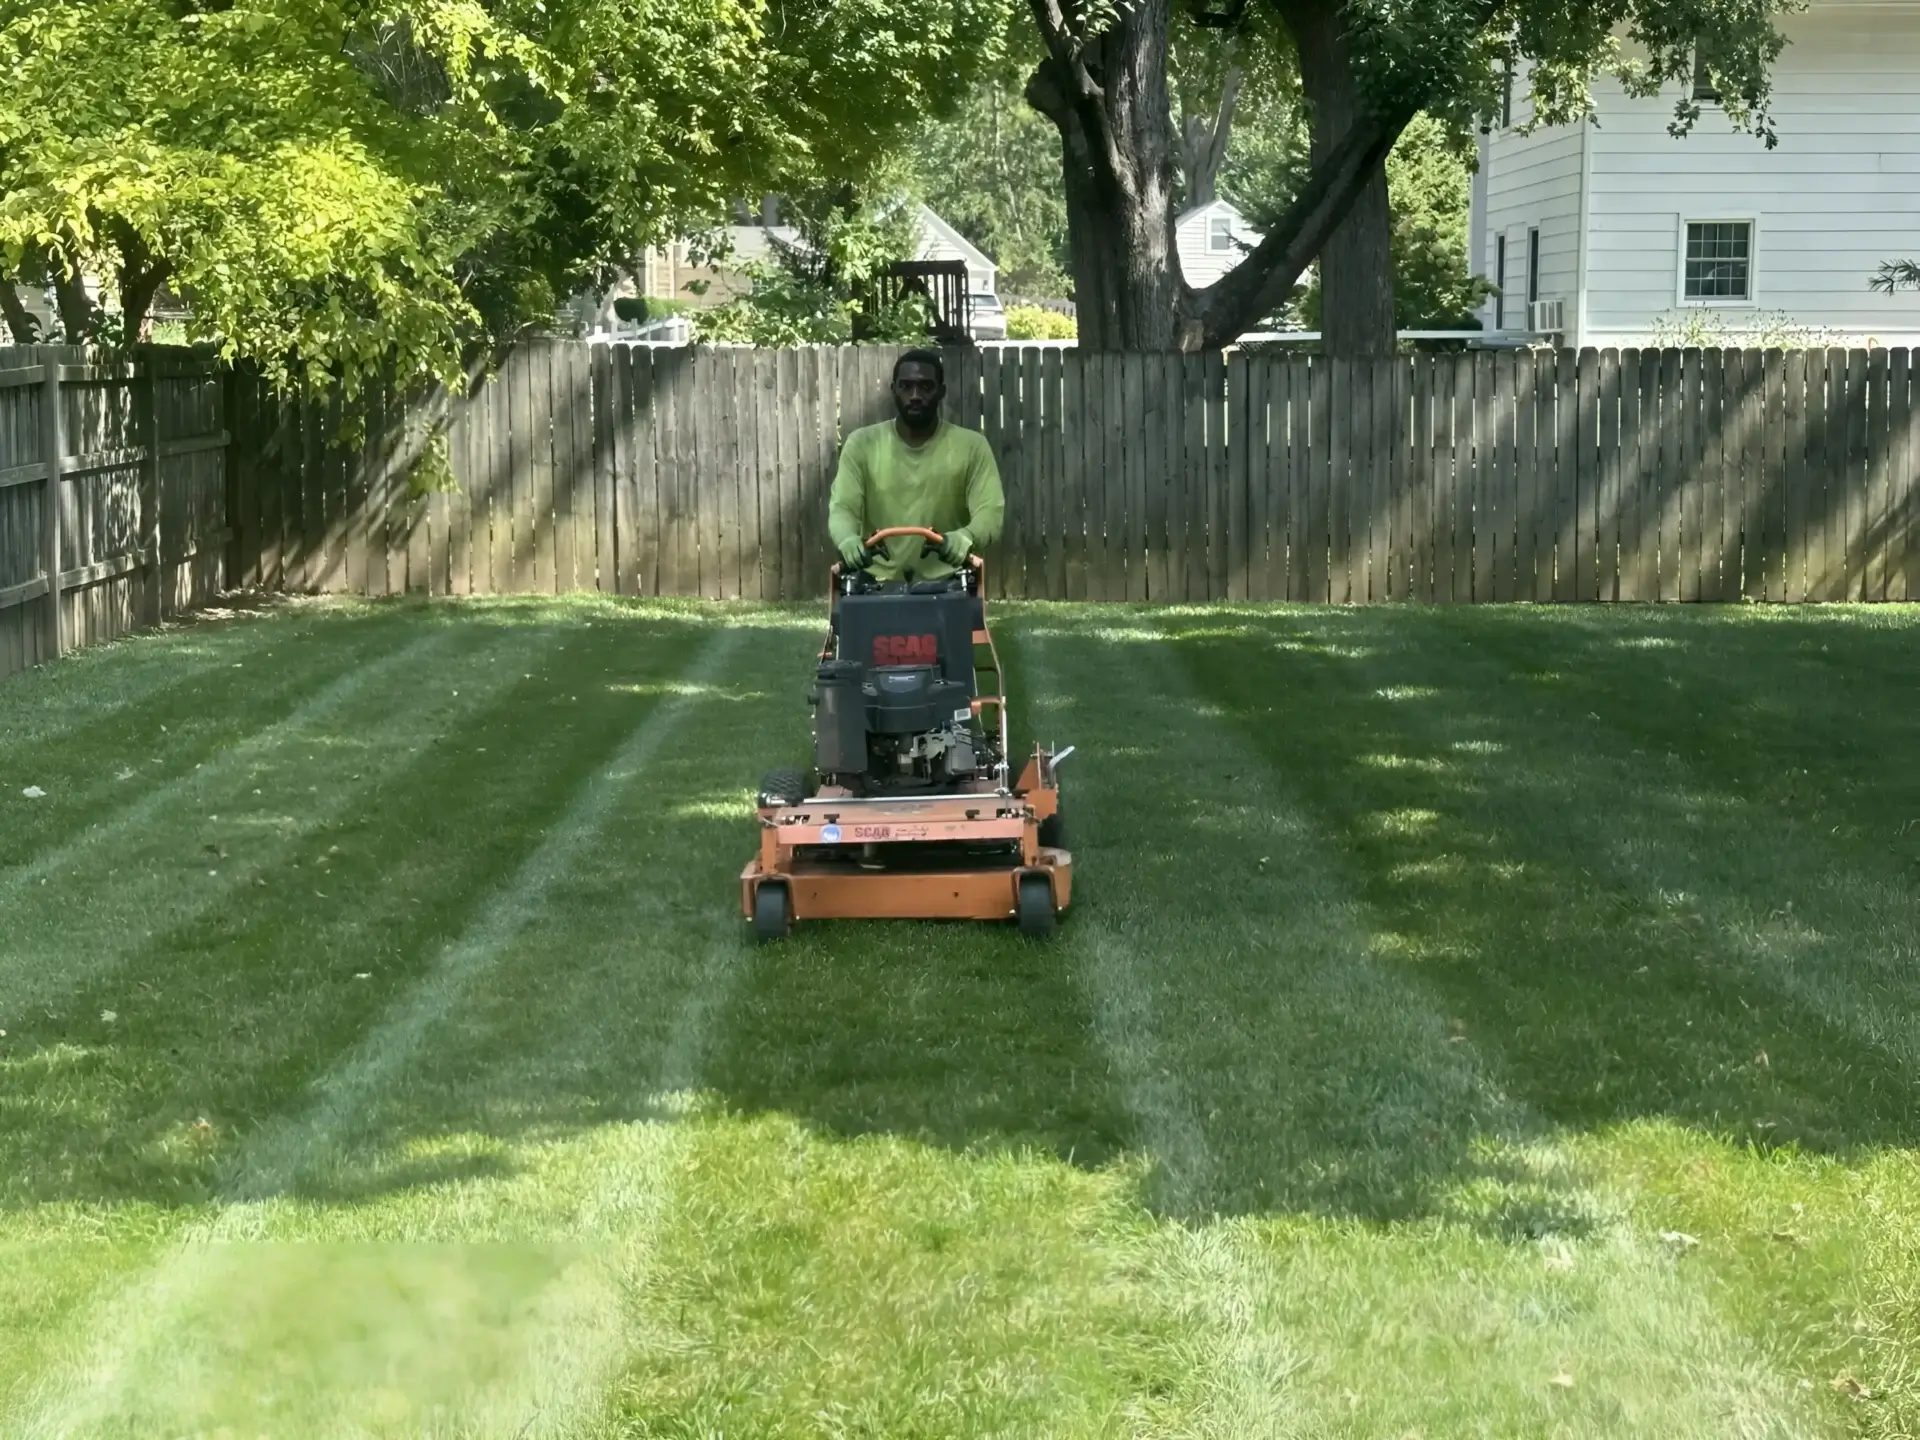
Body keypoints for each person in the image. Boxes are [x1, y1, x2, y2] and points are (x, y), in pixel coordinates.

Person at [828, 349, 1005, 583]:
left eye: (926, 387)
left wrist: (967, 536)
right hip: (874, 584)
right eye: (906, 386)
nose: (915, 395)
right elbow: (843, 507)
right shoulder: (861, 444)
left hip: (950, 581)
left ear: (941, 391)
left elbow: (990, 510)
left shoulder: (972, 446)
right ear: (893, 390)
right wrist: (846, 538)